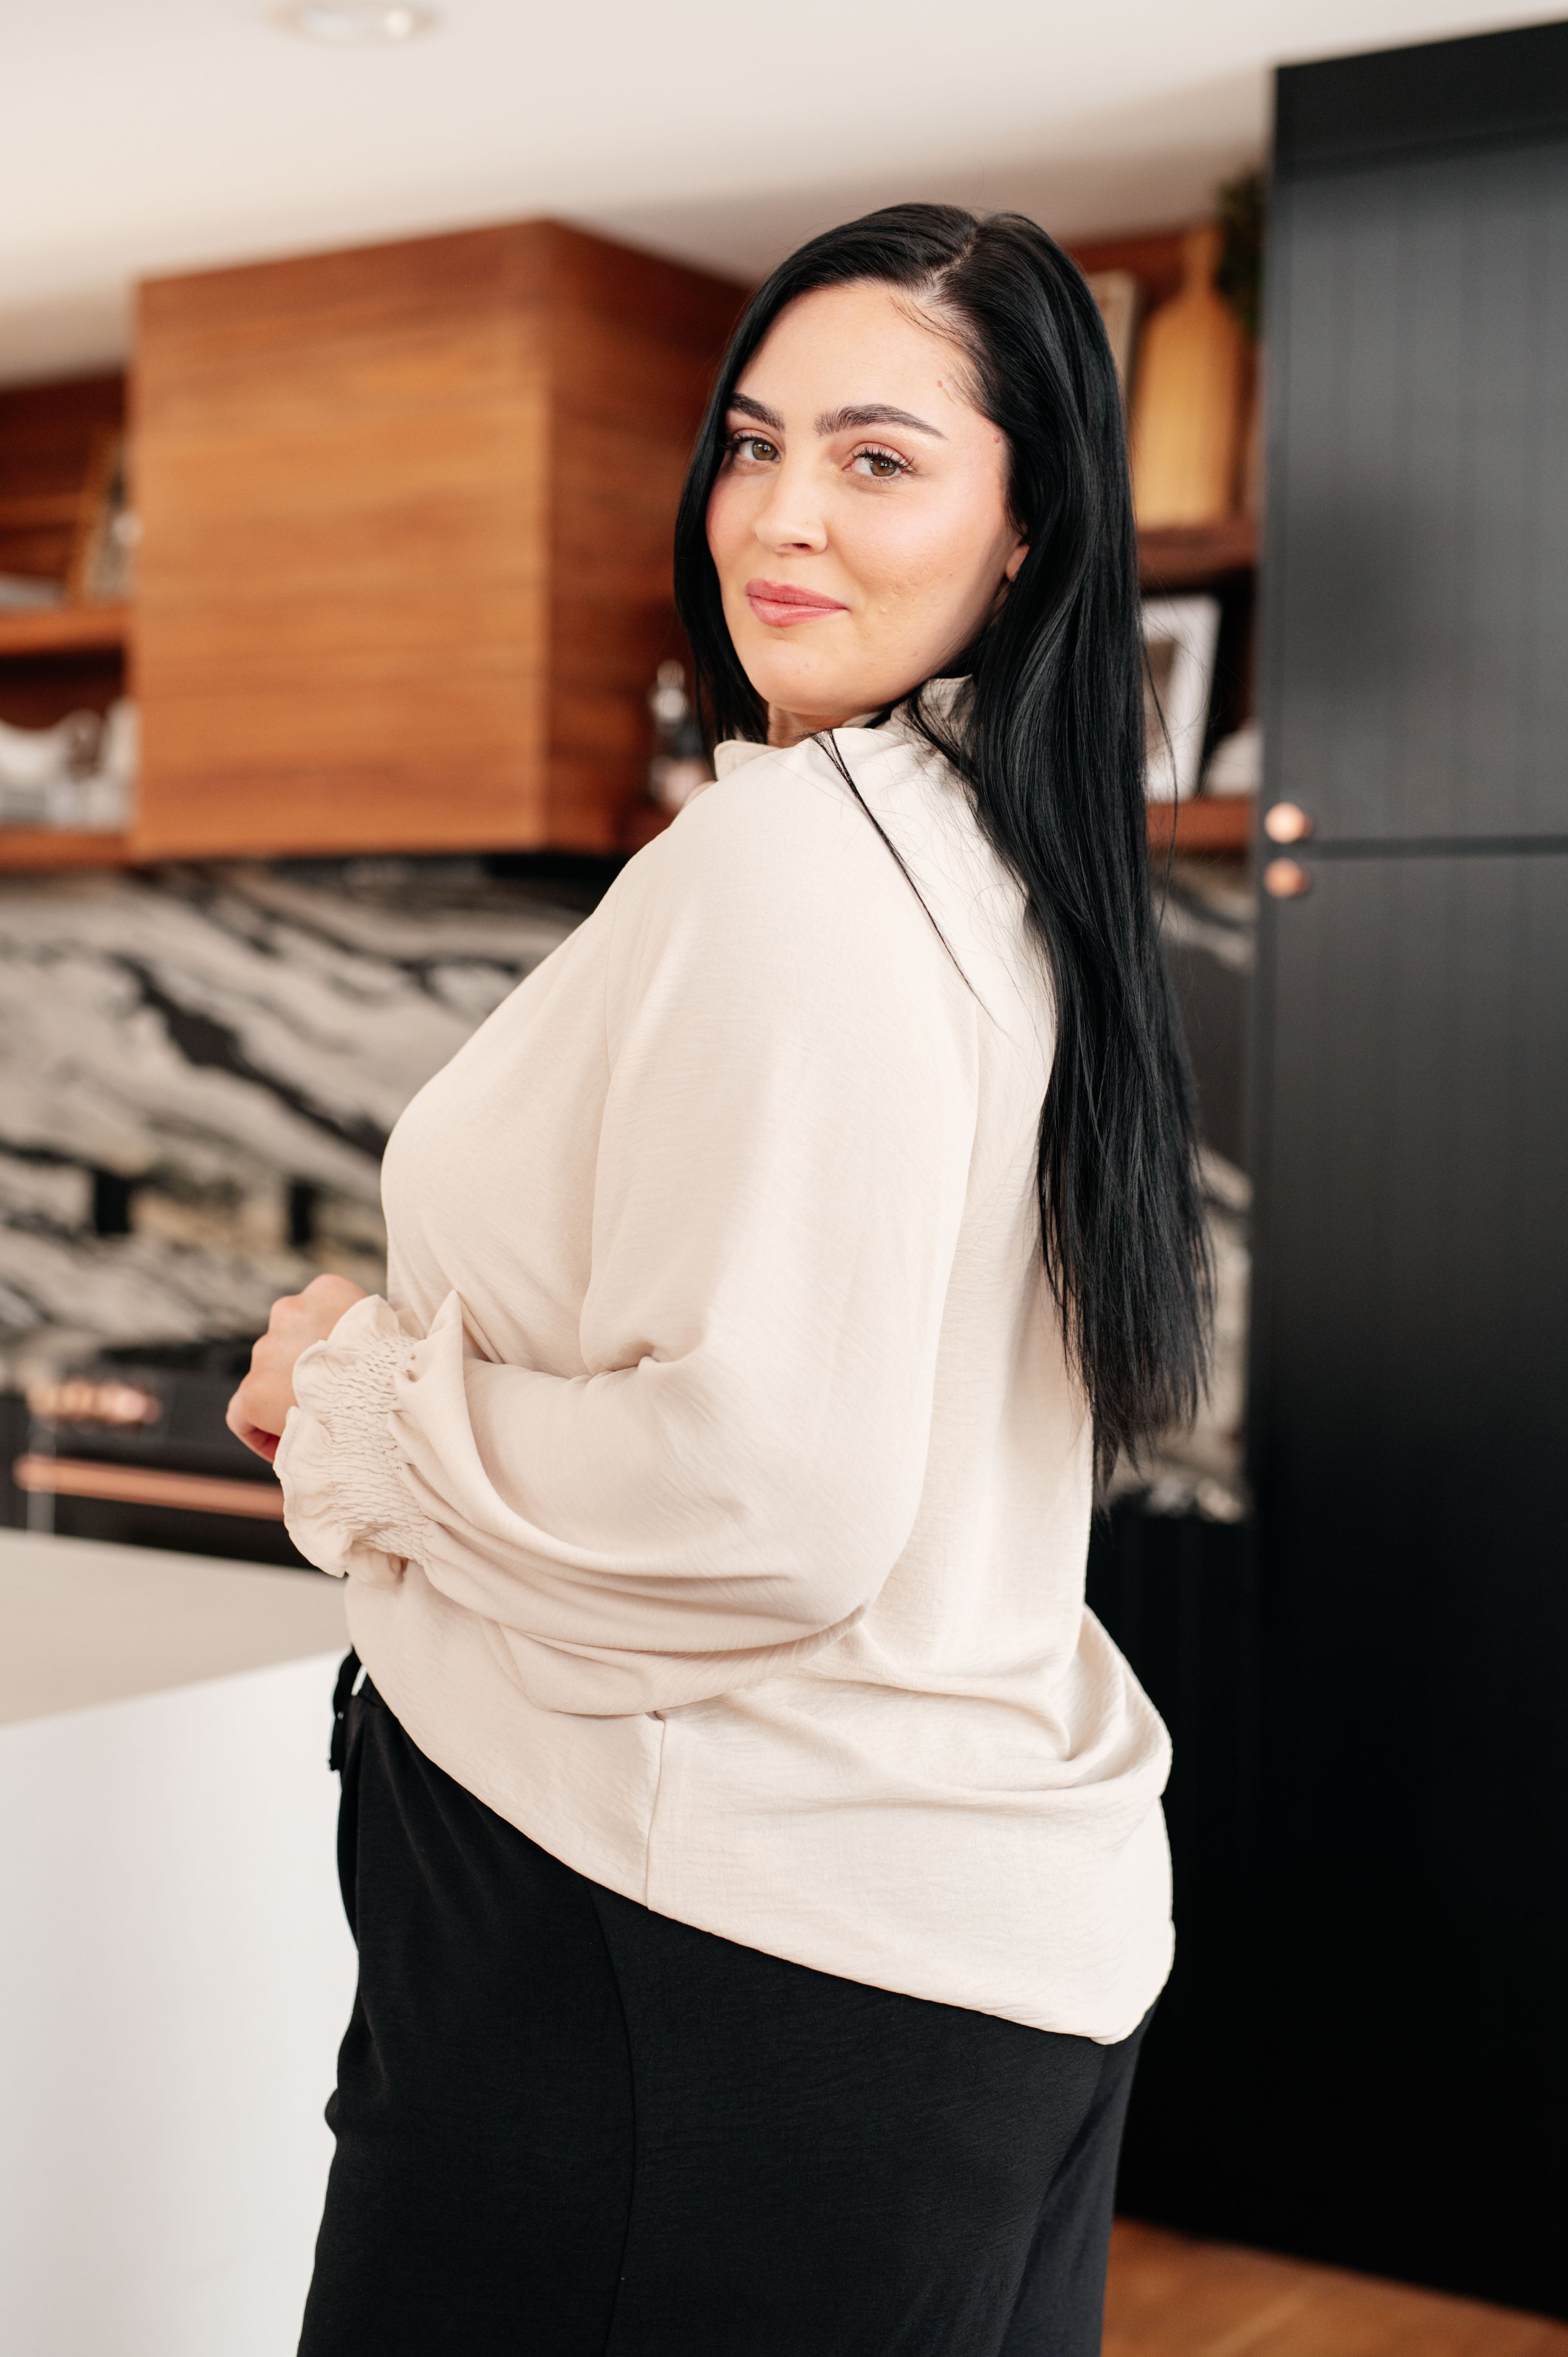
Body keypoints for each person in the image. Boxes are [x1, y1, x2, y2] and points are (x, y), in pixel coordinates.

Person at [230, 203, 1210, 2357]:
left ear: (1028, 527)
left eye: (878, 460)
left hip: (679, 1947)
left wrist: (357, 1394)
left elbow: (756, 1486)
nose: (779, 518)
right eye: (754, 445)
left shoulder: (795, 852)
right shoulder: (1011, 866)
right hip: (946, 1973)